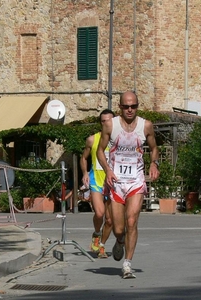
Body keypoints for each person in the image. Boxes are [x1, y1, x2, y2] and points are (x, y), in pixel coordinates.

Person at [97, 91, 160, 278]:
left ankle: (127, 264)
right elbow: (100, 150)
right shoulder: (110, 125)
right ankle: (120, 240)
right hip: (116, 182)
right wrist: (108, 169)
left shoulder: (146, 126)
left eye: (133, 106)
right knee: (118, 228)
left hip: (136, 181)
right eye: (126, 106)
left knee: (132, 221)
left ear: (138, 106)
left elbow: (154, 148)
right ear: (120, 107)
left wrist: (154, 163)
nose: (130, 110)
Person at [80, 109, 115, 259]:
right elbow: (84, 158)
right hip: (96, 182)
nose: (106, 123)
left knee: (110, 220)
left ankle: (101, 244)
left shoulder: (118, 140)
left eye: (109, 120)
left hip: (112, 184)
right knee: (99, 213)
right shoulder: (92, 140)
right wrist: (85, 173)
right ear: (100, 123)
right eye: (103, 121)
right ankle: (96, 233)